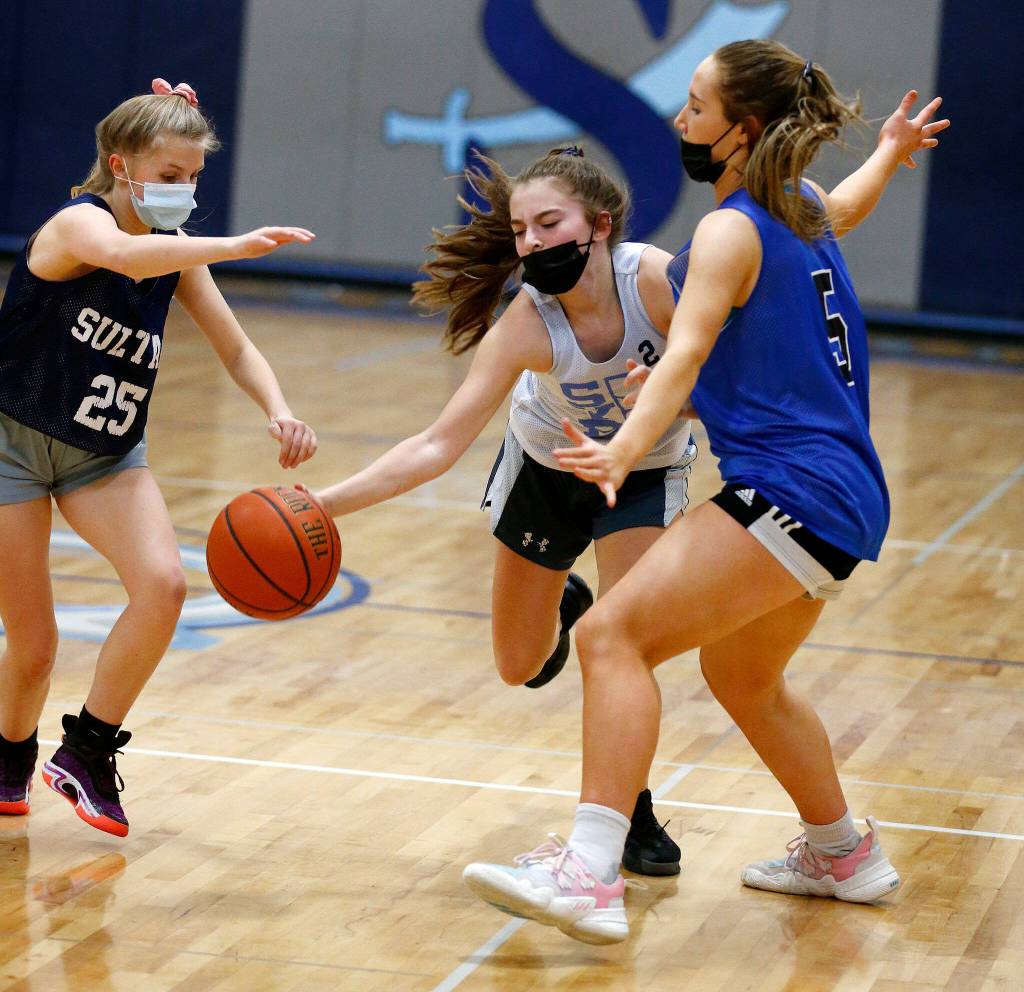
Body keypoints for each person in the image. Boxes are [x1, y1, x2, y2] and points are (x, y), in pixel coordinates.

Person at [462, 40, 950, 944]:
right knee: (743, 675)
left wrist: (623, 449)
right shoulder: (797, 206)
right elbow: (845, 206)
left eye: (696, 107)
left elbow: (684, 354)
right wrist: (889, 152)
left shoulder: (728, 231)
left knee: (607, 636)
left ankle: (588, 873)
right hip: (845, 497)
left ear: (743, 129)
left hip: (790, 489)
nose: (680, 120)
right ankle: (842, 852)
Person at [311, 146, 697, 876]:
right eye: (521, 231)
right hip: (547, 469)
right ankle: (565, 602)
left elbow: (729, 379)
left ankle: (628, 809)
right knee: (519, 666)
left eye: (548, 224)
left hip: (642, 472)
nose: (532, 243)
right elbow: (438, 444)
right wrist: (324, 505)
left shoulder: (654, 281)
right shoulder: (528, 321)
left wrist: (680, 398)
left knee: (623, 646)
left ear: (600, 225)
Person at [0, 78, 319, 837]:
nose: (185, 190)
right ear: (121, 165)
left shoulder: (174, 254)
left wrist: (278, 408)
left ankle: (87, 750)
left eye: (194, 177)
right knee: (35, 647)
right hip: (12, 444)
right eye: (171, 175)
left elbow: (235, 347)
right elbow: (125, 256)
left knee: (165, 585)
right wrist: (237, 245)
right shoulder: (78, 226)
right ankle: (9, 757)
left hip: (103, 455)